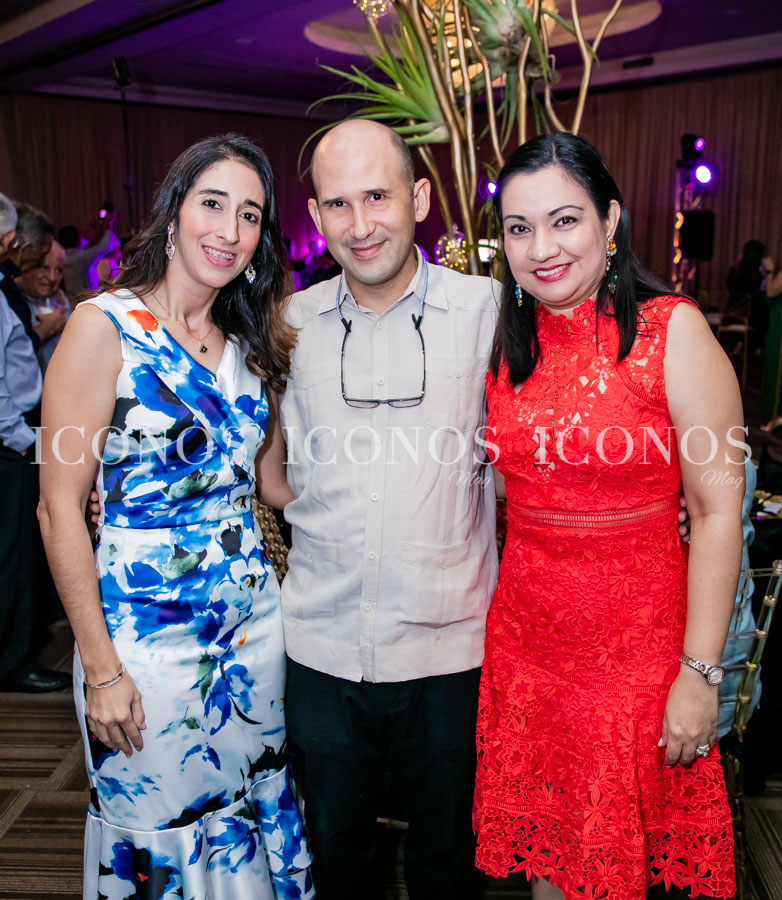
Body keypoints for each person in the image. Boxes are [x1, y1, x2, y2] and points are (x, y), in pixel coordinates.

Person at [38, 133, 313, 899]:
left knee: (254, 801)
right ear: (173, 213)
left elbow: (274, 487)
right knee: (160, 821)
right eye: (212, 204)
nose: (229, 229)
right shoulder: (103, 328)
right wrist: (101, 669)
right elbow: (57, 509)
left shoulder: (252, 345)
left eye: (250, 214)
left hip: (256, 634)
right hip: (144, 642)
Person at [473, 133, 741, 900]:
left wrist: (700, 674)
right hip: (527, 653)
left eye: (564, 220)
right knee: (549, 862)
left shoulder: (671, 331)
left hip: (637, 662)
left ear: (610, 220)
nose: (541, 248)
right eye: (519, 228)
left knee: (615, 867)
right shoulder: (506, 344)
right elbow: (514, 485)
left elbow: (717, 511)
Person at [280, 118, 499, 899]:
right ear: (316, 216)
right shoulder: (288, 326)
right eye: (339, 204)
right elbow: (261, 462)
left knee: (449, 862)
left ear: (420, 198)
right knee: (337, 858)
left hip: (450, 647)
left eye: (378, 196)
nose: (361, 223)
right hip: (322, 642)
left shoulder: (490, 312)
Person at [15, 239, 71, 371]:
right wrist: (47, 328)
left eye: (58, 270)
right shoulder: (11, 304)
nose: (52, 277)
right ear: (26, 267)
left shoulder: (60, 301)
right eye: (45, 268)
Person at [59, 212, 114, 300]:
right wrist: (108, 224)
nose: (82, 235)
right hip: (85, 299)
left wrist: (95, 225)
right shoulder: (82, 257)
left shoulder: (61, 256)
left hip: (69, 299)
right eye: (80, 234)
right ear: (76, 239)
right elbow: (106, 246)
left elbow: (85, 240)